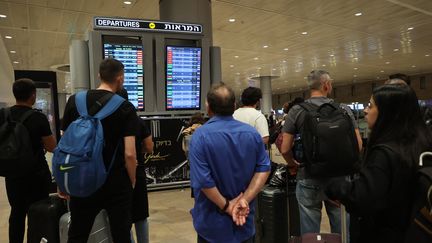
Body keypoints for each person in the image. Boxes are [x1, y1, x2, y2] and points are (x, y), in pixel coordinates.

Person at [325, 84, 432, 243]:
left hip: (385, 233)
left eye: (370, 105)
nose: (365, 111)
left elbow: (364, 198)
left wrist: (337, 187)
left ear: (388, 112)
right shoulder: (423, 144)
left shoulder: (384, 153)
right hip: (417, 230)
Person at [61, 58, 139, 243]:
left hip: (82, 179)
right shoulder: (125, 107)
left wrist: (64, 178)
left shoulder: (75, 101)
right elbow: (130, 153)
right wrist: (132, 181)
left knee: (78, 232)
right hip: (116, 181)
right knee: (121, 234)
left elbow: (64, 144)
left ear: (99, 76)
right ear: (120, 78)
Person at [280, 70, 363, 235]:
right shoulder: (344, 109)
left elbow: (284, 148)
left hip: (309, 176)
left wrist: (292, 164)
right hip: (340, 177)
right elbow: (358, 145)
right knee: (341, 230)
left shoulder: (297, 110)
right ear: (326, 85)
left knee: (310, 233)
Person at [189, 83, 271, 243]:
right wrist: (244, 200)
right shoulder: (252, 134)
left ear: (208, 107)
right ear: (234, 106)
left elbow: (204, 181)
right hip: (243, 221)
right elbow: (264, 169)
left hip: (212, 226)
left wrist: (228, 206)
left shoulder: (200, 136)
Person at [0, 78, 56, 243]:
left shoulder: (2, 115)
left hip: (12, 174)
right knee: (37, 213)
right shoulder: (38, 118)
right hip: (36, 174)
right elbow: (52, 146)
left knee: (16, 212)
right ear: (33, 95)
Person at [116, 88, 153, 243]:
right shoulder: (137, 121)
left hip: (116, 174)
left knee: (122, 217)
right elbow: (149, 147)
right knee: (140, 215)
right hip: (136, 173)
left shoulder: (107, 120)